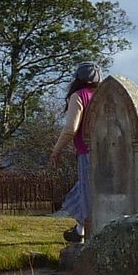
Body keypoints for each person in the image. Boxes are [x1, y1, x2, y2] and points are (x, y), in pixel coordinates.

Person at [48, 62, 104, 244]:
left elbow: (71, 129)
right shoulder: (104, 97)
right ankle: (80, 230)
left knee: (86, 192)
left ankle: (86, 233)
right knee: (97, 192)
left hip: (87, 152)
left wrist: (56, 151)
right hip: (109, 152)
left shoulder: (79, 96)